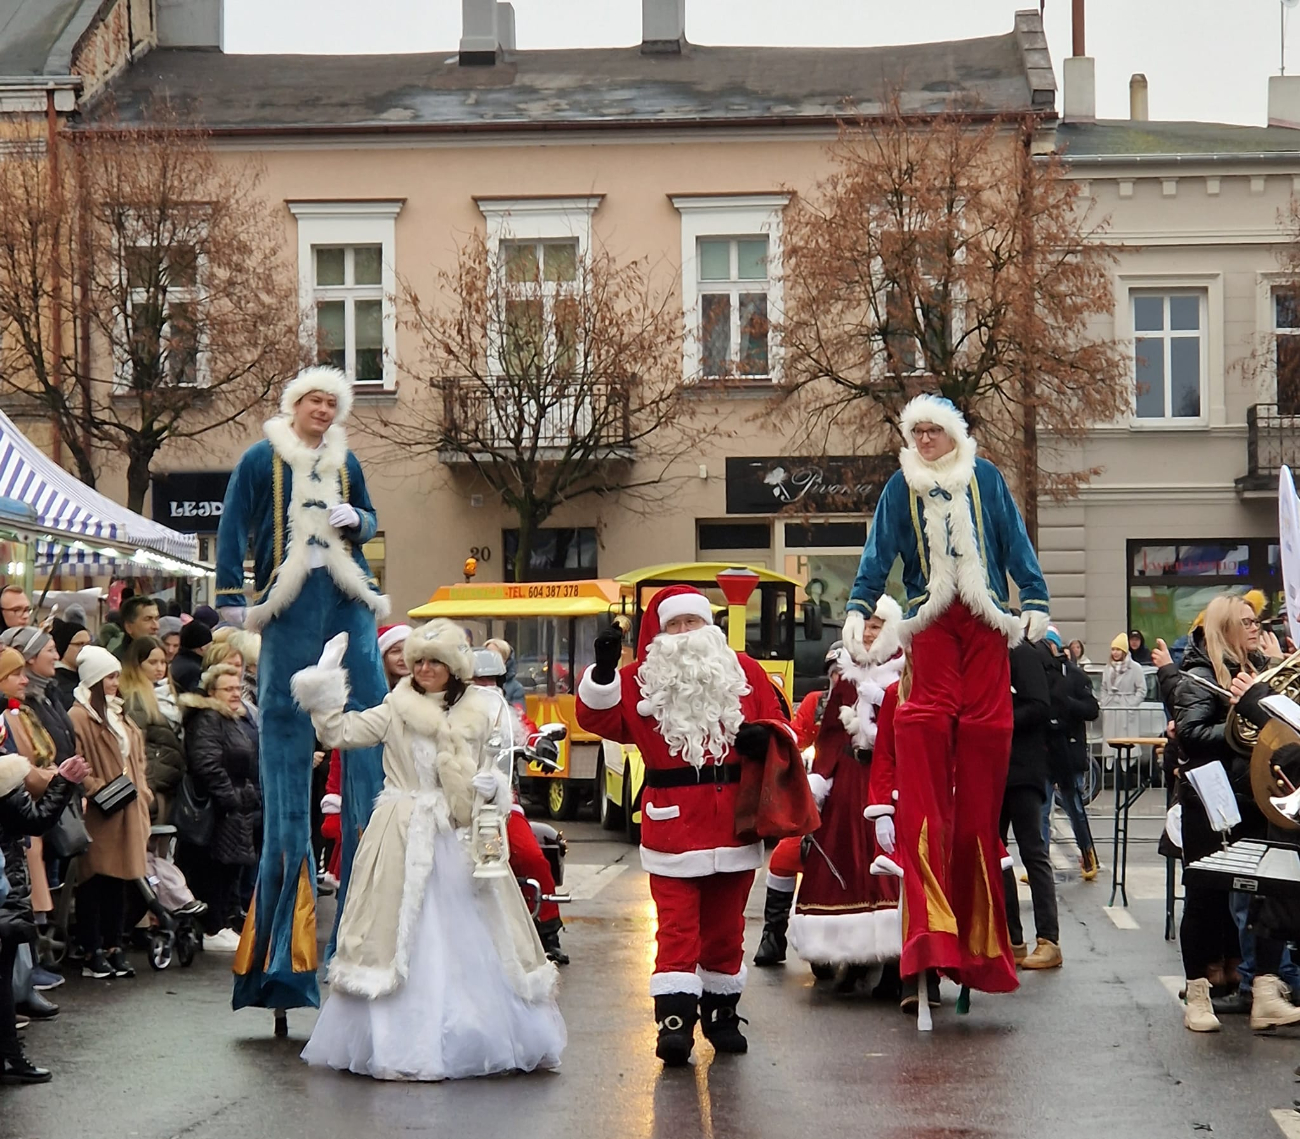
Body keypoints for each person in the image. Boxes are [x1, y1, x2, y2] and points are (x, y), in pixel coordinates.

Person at [842, 393, 1050, 1003]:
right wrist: (859, 607)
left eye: (934, 431)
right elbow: (877, 555)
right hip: (930, 624)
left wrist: (1033, 597)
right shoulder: (898, 488)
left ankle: (981, 944)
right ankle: (928, 945)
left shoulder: (984, 478)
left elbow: (1013, 542)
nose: (925, 440)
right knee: (923, 729)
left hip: (984, 623)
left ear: (955, 434)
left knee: (987, 743)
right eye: (917, 432)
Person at [294, 620, 565, 1080]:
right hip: (403, 830)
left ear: (454, 664)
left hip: (464, 834)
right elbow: (341, 732)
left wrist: (493, 787)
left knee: (474, 931)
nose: (423, 668)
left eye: (433, 660)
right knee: (397, 931)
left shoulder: (488, 706)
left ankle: (477, 1030)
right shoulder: (395, 706)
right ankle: (400, 1039)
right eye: (417, 660)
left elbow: (500, 761)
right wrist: (323, 685)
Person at [216, 365, 389, 1019]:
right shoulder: (262, 457)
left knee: (372, 730)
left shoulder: (345, 458)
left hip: (345, 598)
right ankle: (285, 959)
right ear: (295, 405)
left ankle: (368, 937)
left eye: (331, 402)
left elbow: (369, 516)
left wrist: (360, 520)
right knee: (285, 772)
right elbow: (233, 525)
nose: (323, 410)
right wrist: (233, 600)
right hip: (286, 606)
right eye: (314, 400)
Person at [576, 584, 806, 1066]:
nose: (684, 635)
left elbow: (786, 724)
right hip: (673, 821)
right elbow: (597, 720)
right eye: (674, 626)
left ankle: (722, 1014)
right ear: (658, 635)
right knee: (677, 926)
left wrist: (767, 737)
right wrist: (601, 673)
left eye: (692, 624)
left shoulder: (742, 671)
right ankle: (675, 1022)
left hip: (735, 823)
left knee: (727, 927)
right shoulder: (641, 678)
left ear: (710, 627)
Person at [1168, 593, 1300, 1032]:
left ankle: (1265, 990)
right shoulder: (1199, 676)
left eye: (1256, 620)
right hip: (1211, 799)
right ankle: (1197, 995)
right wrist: (1239, 722)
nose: (1255, 628)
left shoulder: (1261, 670)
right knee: (1204, 898)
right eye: (1245, 622)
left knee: (1272, 892)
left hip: (1257, 797)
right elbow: (1190, 734)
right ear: (1223, 628)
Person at [789, 610, 906, 993]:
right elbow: (830, 735)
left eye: (878, 626)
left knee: (888, 869)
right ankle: (852, 958)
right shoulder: (847, 674)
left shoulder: (905, 671)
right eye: (866, 626)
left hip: (890, 781)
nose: (870, 633)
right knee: (844, 868)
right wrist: (821, 780)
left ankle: (894, 963)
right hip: (851, 780)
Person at [469, 648, 567, 965]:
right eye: (476, 679)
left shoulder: (509, 716)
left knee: (531, 856)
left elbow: (530, 733)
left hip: (502, 804)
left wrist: (542, 744)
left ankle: (547, 931)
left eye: (490, 679)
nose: (484, 685)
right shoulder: (447, 715)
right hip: (455, 804)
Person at [0, 737, 86, 1083]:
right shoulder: (4, 774)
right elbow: (35, 821)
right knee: (1, 979)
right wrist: (63, 782)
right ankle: (9, 1057)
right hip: (3, 887)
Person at [68, 646, 153, 981]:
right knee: (94, 880)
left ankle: (115, 945)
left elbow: (138, 759)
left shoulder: (120, 714)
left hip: (129, 808)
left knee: (120, 880)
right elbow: (76, 758)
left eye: (116, 675)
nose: (115, 683)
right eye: (109, 676)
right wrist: (97, 787)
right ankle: (93, 949)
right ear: (93, 679)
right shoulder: (80, 716)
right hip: (101, 811)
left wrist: (142, 791)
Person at [179, 663, 261, 950]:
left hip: (235, 806)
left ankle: (223, 920)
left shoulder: (231, 719)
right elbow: (207, 763)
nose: (236, 693)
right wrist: (231, 799)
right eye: (228, 689)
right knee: (214, 869)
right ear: (212, 692)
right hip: (217, 808)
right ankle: (212, 926)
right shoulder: (208, 719)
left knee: (230, 869)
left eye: (238, 688)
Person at [1000, 638, 1061, 970]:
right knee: (998, 856)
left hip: (1023, 769)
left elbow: (1039, 705)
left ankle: (1049, 938)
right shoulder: (988, 652)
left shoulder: (1021, 652)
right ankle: (1012, 937)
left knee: (1032, 851)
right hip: (993, 770)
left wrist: (998, 715)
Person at [1041, 630, 1101, 879]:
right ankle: (1041, 864)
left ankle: (1088, 854)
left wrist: (1068, 704)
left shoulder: (1076, 676)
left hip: (1069, 749)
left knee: (1074, 805)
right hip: (1044, 751)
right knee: (1042, 809)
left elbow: (1092, 709)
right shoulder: (1037, 674)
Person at [119, 636, 186, 825]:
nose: (159, 668)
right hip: (154, 785)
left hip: (173, 782)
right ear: (137, 665)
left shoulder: (173, 693)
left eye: (163, 662)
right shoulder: (135, 699)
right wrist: (148, 788)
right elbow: (135, 746)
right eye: (152, 662)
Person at [1101, 634, 1147, 755]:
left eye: (1118, 649)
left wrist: (1130, 704)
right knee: (1111, 743)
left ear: (1124, 651)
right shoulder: (1107, 668)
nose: (1115, 653)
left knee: (1127, 744)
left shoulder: (1135, 668)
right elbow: (1103, 687)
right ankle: (1113, 766)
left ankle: (1126, 768)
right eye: (1113, 649)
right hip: (1111, 709)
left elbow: (1141, 690)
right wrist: (1105, 702)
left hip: (1127, 710)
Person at [51, 618, 90, 710]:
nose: (85, 648)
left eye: (88, 644)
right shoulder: (57, 681)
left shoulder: (85, 675)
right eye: (79, 644)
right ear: (64, 646)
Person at [113, 596, 160, 661]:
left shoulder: (164, 653)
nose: (156, 626)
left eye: (157, 619)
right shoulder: (117, 663)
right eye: (147, 619)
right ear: (129, 627)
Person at [171, 619, 212, 695]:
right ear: (203, 647)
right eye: (210, 644)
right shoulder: (193, 671)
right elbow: (196, 698)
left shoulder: (178, 660)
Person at [485, 638, 526, 710]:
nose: (490, 659)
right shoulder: (474, 684)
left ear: (505, 660)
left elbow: (517, 716)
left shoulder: (516, 688)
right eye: (487, 655)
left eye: (495, 656)